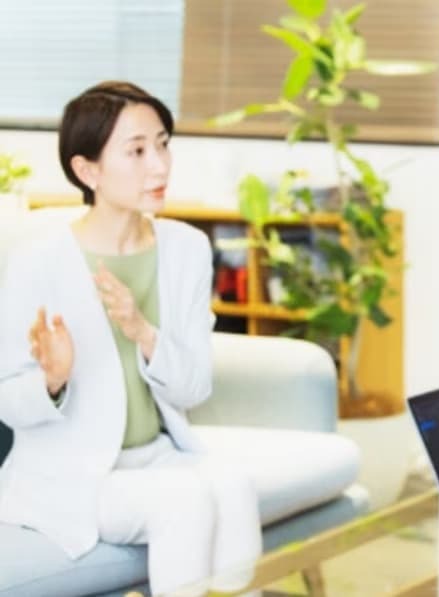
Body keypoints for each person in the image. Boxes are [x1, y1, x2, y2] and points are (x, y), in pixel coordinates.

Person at [0, 82, 261, 596]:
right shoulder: (37, 260)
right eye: (137, 151)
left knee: (235, 488)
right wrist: (53, 381)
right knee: (183, 504)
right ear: (87, 170)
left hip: (156, 455)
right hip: (72, 473)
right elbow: (7, 400)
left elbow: (193, 389)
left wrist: (143, 332)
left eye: (163, 145)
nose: (159, 166)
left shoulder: (186, 249)